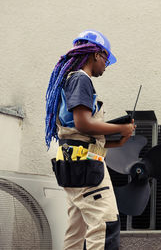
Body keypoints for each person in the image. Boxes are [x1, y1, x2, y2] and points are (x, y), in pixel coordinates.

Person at [45, 30, 135, 250]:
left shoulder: (69, 80)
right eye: (106, 58)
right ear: (96, 54)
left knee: (76, 233)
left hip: (74, 165)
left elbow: (75, 132)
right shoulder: (80, 79)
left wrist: (114, 142)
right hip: (86, 171)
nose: (106, 65)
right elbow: (83, 123)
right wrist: (122, 127)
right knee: (105, 224)